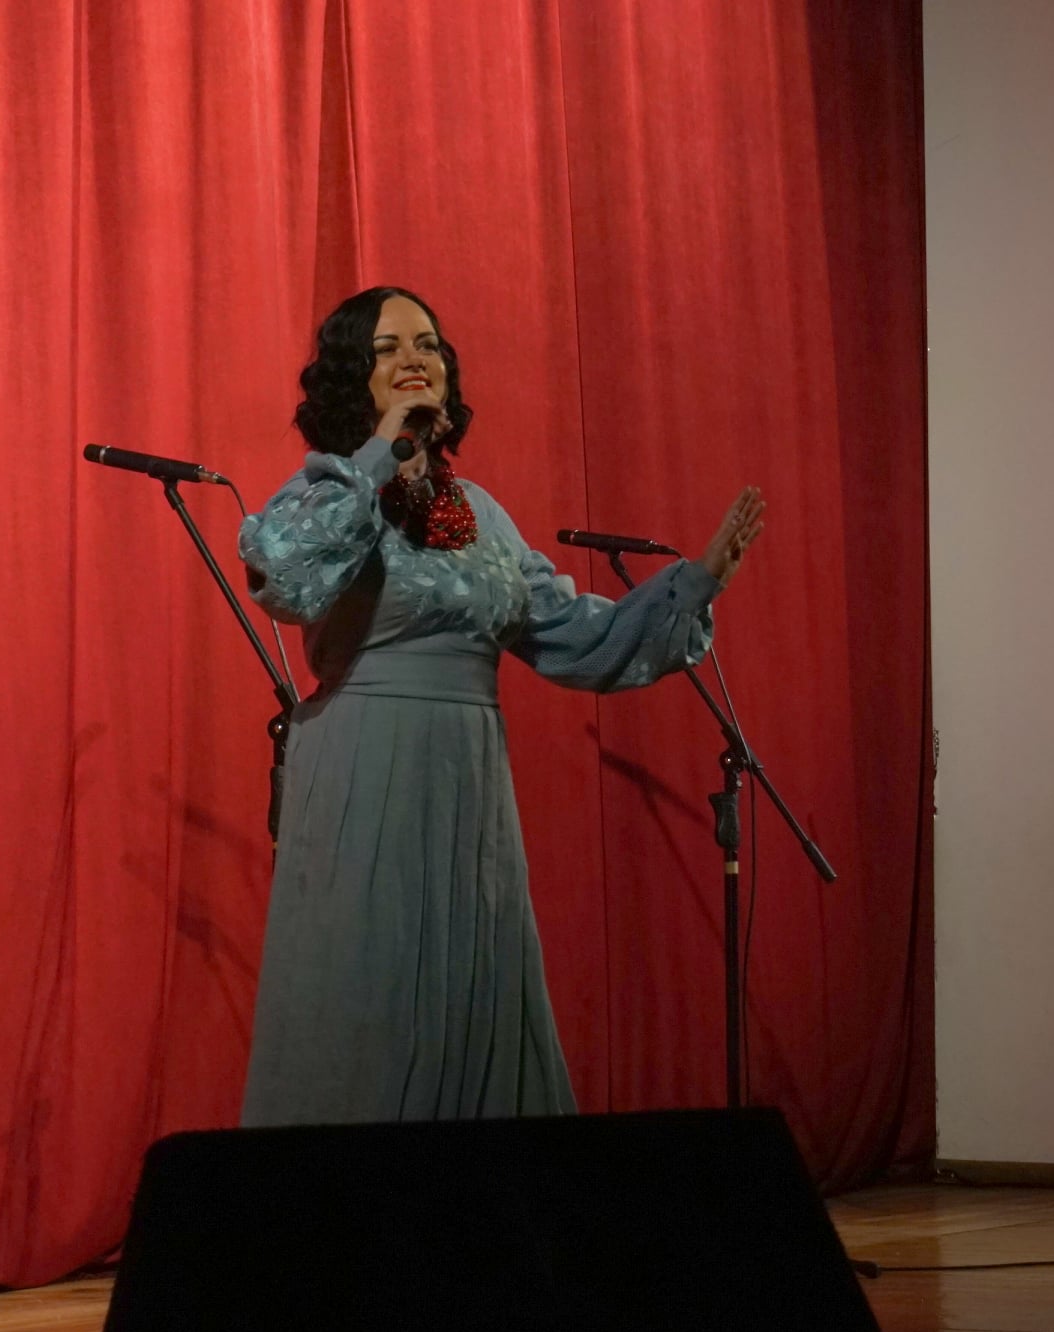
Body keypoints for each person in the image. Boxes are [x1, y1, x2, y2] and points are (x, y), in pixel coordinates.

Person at [236, 285, 764, 1125]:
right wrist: (378, 454)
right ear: (351, 378)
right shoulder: (328, 494)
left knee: (473, 991)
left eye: (427, 344)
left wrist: (693, 585)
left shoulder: (479, 513)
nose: (414, 358)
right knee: (368, 993)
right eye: (386, 349)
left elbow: (574, 638)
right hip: (367, 766)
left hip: (467, 782)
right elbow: (286, 579)